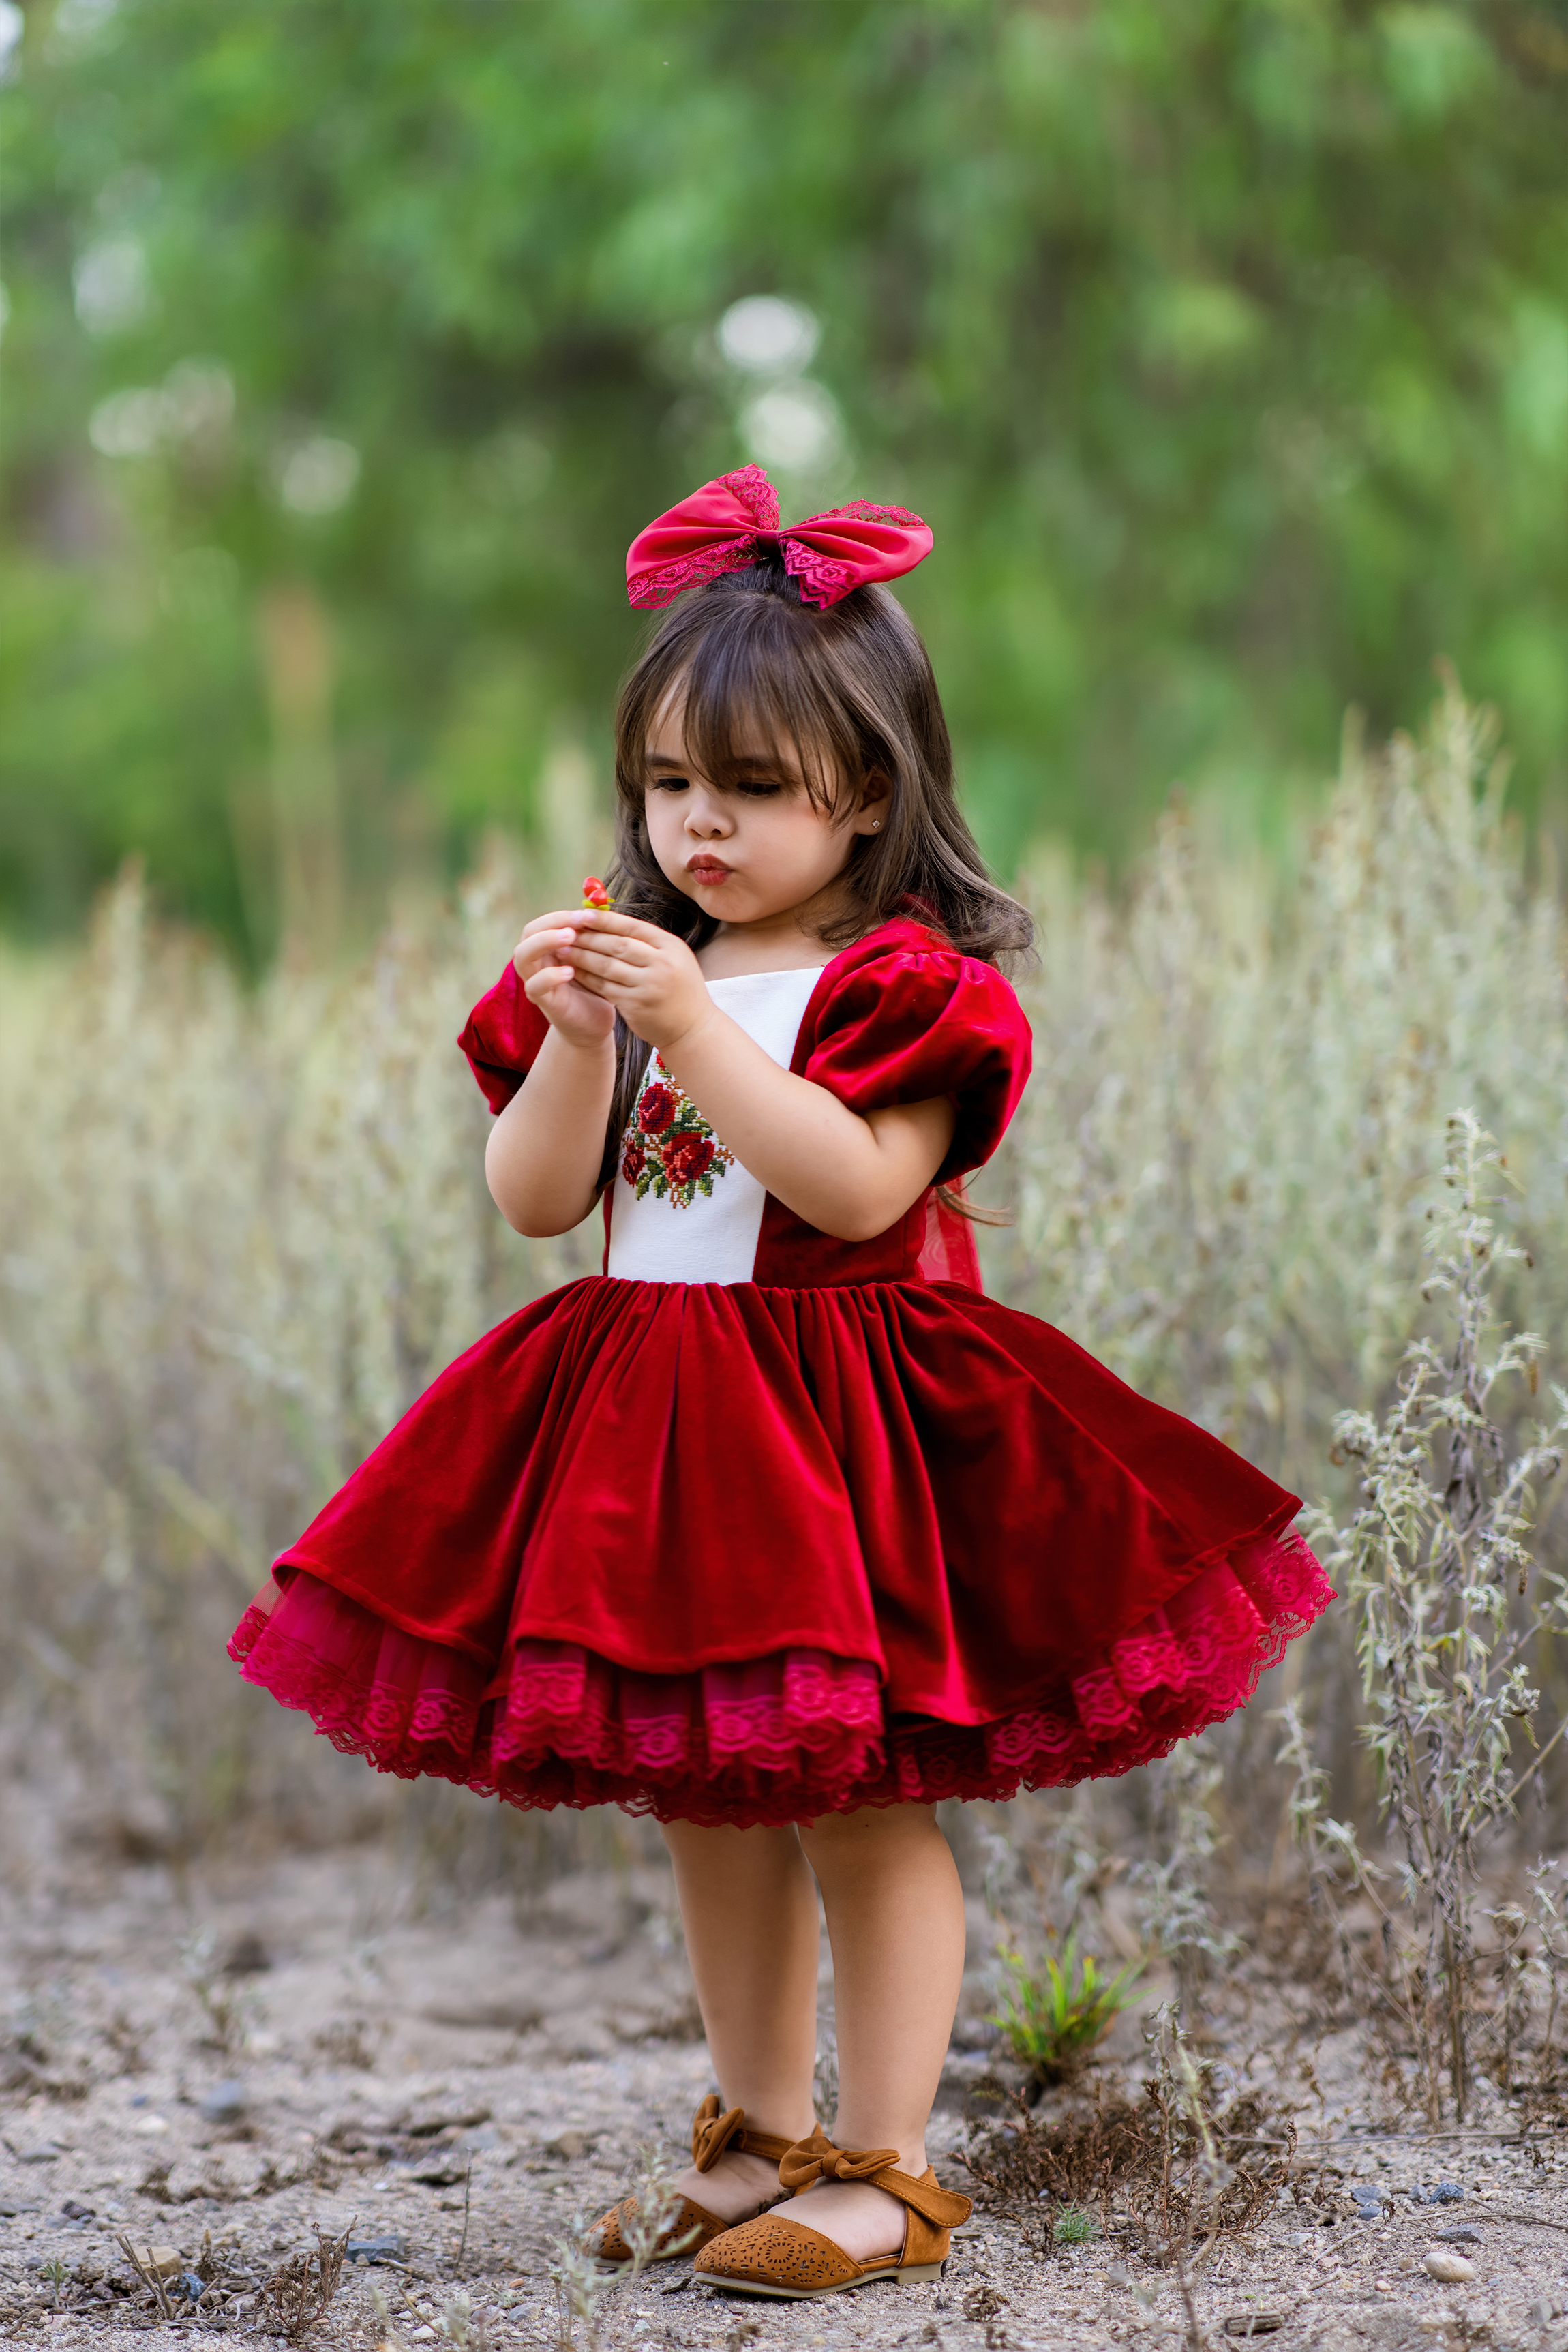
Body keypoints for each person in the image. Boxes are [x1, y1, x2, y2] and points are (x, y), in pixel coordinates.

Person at [229, 465, 1332, 2302]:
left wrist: (683, 1027)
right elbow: (532, 1205)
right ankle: (746, 2135)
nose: (698, 827)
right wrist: (584, 1036)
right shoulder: (636, 973)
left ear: (869, 796)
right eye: (668, 786)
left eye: (748, 792)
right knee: (704, 1793)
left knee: (856, 1794)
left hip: (836, 1439)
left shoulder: (901, 984)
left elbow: (855, 1188)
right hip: (650, 1429)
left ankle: (882, 2165)